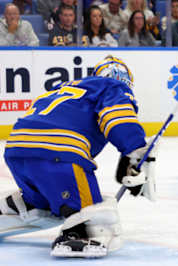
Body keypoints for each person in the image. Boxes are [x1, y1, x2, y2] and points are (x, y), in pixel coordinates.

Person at [0, 55, 155, 258]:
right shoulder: (113, 86)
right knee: (97, 214)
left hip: (16, 149)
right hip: (58, 152)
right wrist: (136, 151)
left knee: (45, 201)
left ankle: (18, 206)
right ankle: (77, 232)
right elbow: (118, 117)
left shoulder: (64, 88)